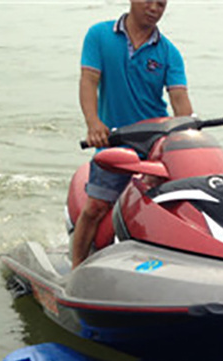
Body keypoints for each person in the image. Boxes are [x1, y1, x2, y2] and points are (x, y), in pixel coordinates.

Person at [72, 0, 193, 267]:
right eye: (149, 1)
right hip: (115, 143)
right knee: (95, 207)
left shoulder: (169, 52)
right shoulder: (100, 35)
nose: (154, 8)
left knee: (174, 207)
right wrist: (93, 123)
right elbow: (89, 81)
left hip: (154, 144)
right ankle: (76, 268)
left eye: (161, 4)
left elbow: (180, 100)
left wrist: (187, 134)